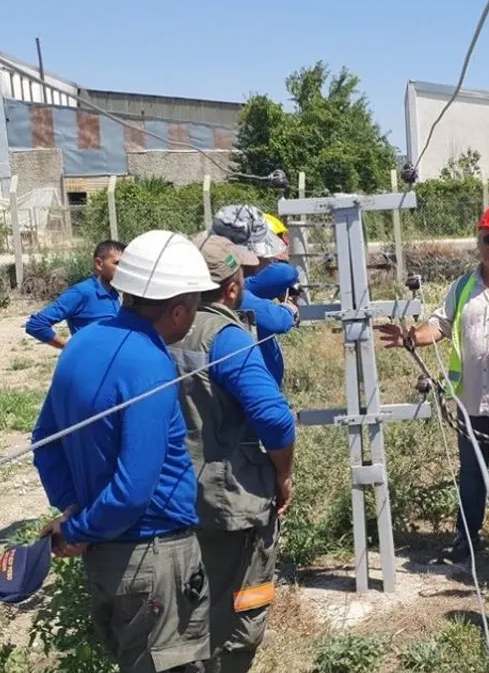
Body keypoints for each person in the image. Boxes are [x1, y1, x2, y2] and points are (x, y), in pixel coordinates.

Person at [30, 230, 218, 673]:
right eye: (195, 306)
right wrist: (77, 529)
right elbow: (134, 490)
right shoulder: (149, 363)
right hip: (153, 558)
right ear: (178, 310)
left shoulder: (84, 342)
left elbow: (45, 440)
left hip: (108, 564)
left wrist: (74, 509)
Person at [377, 201, 489, 562]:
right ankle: (466, 537)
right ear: (479, 240)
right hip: (471, 401)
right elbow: (440, 325)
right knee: (472, 474)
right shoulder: (462, 287)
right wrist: (413, 337)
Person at [173, 233, 298, 673]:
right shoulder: (225, 338)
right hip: (226, 500)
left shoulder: (155, 329)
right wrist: (283, 474)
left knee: (180, 613)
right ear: (231, 288)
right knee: (238, 609)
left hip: (167, 498)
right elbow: (275, 419)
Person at [212, 205, 298, 385]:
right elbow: (276, 320)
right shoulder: (233, 290)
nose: (269, 258)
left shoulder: (239, 281)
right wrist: (288, 310)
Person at [25, 239, 124, 349]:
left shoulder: (115, 293)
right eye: (117, 263)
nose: (123, 269)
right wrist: (71, 349)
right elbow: (36, 325)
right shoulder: (81, 292)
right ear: (99, 264)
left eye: (125, 264)